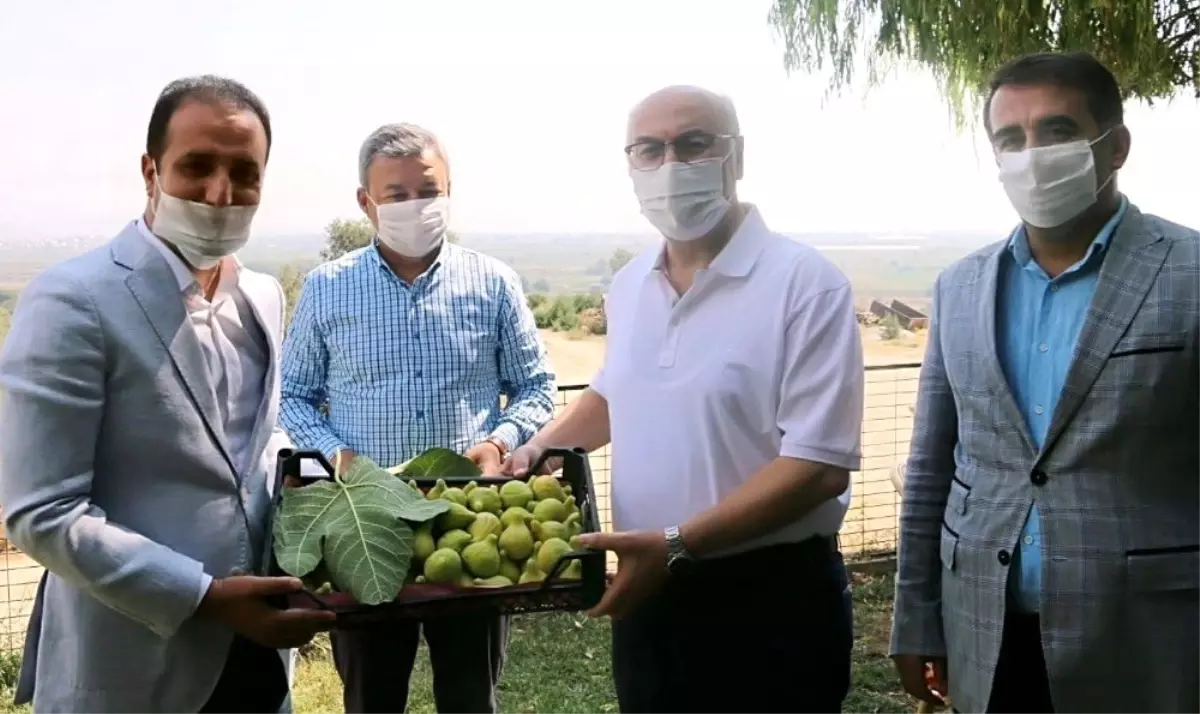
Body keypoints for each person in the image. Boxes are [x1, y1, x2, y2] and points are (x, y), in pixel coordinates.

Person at [504, 85, 865, 713]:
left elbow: (818, 465)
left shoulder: (806, 285)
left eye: (694, 144)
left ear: (737, 157)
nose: (671, 165)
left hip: (773, 602)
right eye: (649, 149)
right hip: (651, 592)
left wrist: (676, 542)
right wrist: (533, 451)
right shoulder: (629, 284)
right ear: (631, 165)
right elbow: (618, 394)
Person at [0, 75, 336, 714]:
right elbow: (41, 511)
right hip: (133, 664)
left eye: (244, 173)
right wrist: (204, 598)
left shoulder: (262, 296)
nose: (219, 193)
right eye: (197, 166)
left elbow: (253, 445)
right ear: (150, 170)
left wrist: (326, 491)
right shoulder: (73, 301)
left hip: (262, 659)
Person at [890, 51, 1200, 714]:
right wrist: (915, 618)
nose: (1031, 155)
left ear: (1113, 146)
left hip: (1147, 640)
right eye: (1010, 139)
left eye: (1057, 131)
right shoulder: (960, 288)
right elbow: (931, 468)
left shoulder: (1191, 274)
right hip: (986, 635)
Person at [279, 122, 556, 714]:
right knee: (372, 695)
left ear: (450, 192)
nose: (415, 206)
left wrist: (500, 442)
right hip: (366, 522)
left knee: (469, 694)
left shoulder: (494, 283)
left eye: (427, 191)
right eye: (396, 194)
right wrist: (338, 456)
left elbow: (536, 387)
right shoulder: (328, 289)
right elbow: (294, 396)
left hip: (468, 522)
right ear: (366, 202)